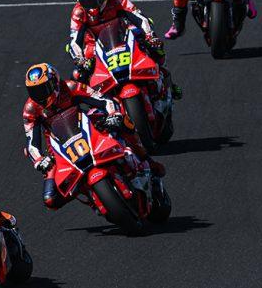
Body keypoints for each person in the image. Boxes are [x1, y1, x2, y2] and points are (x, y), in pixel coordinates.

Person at [22, 63, 164, 210]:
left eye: (43, 89)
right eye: (34, 91)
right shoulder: (31, 109)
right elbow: (31, 142)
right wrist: (39, 160)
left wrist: (113, 114)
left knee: (122, 121)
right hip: (59, 149)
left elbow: (101, 99)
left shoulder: (70, 87)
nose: (39, 95)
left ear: (54, 82)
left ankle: (145, 159)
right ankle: (91, 196)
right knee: (50, 199)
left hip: (86, 128)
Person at [69, 0, 181, 99]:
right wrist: (80, 59)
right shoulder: (78, 12)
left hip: (123, 36)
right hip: (94, 46)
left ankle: (169, 84)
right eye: (85, 0)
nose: (91, 4)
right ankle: (96, 107)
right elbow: (74, 40)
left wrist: (150, 36)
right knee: (78, 75)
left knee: (156, 48)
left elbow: (139, 17)